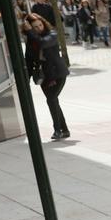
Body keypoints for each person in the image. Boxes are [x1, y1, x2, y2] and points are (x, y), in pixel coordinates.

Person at [23, 13, 69, 141]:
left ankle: (58, 130)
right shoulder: (31, 41)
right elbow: (29, 60)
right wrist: (26, 80)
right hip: (44, 77)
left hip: (57, 74)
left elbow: (42, 43)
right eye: (35, 27)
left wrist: (31, 32)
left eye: (40, 25)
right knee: (53, 101)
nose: (39, 28)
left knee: (51, 99)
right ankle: (64, 129)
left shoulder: (52, 35)